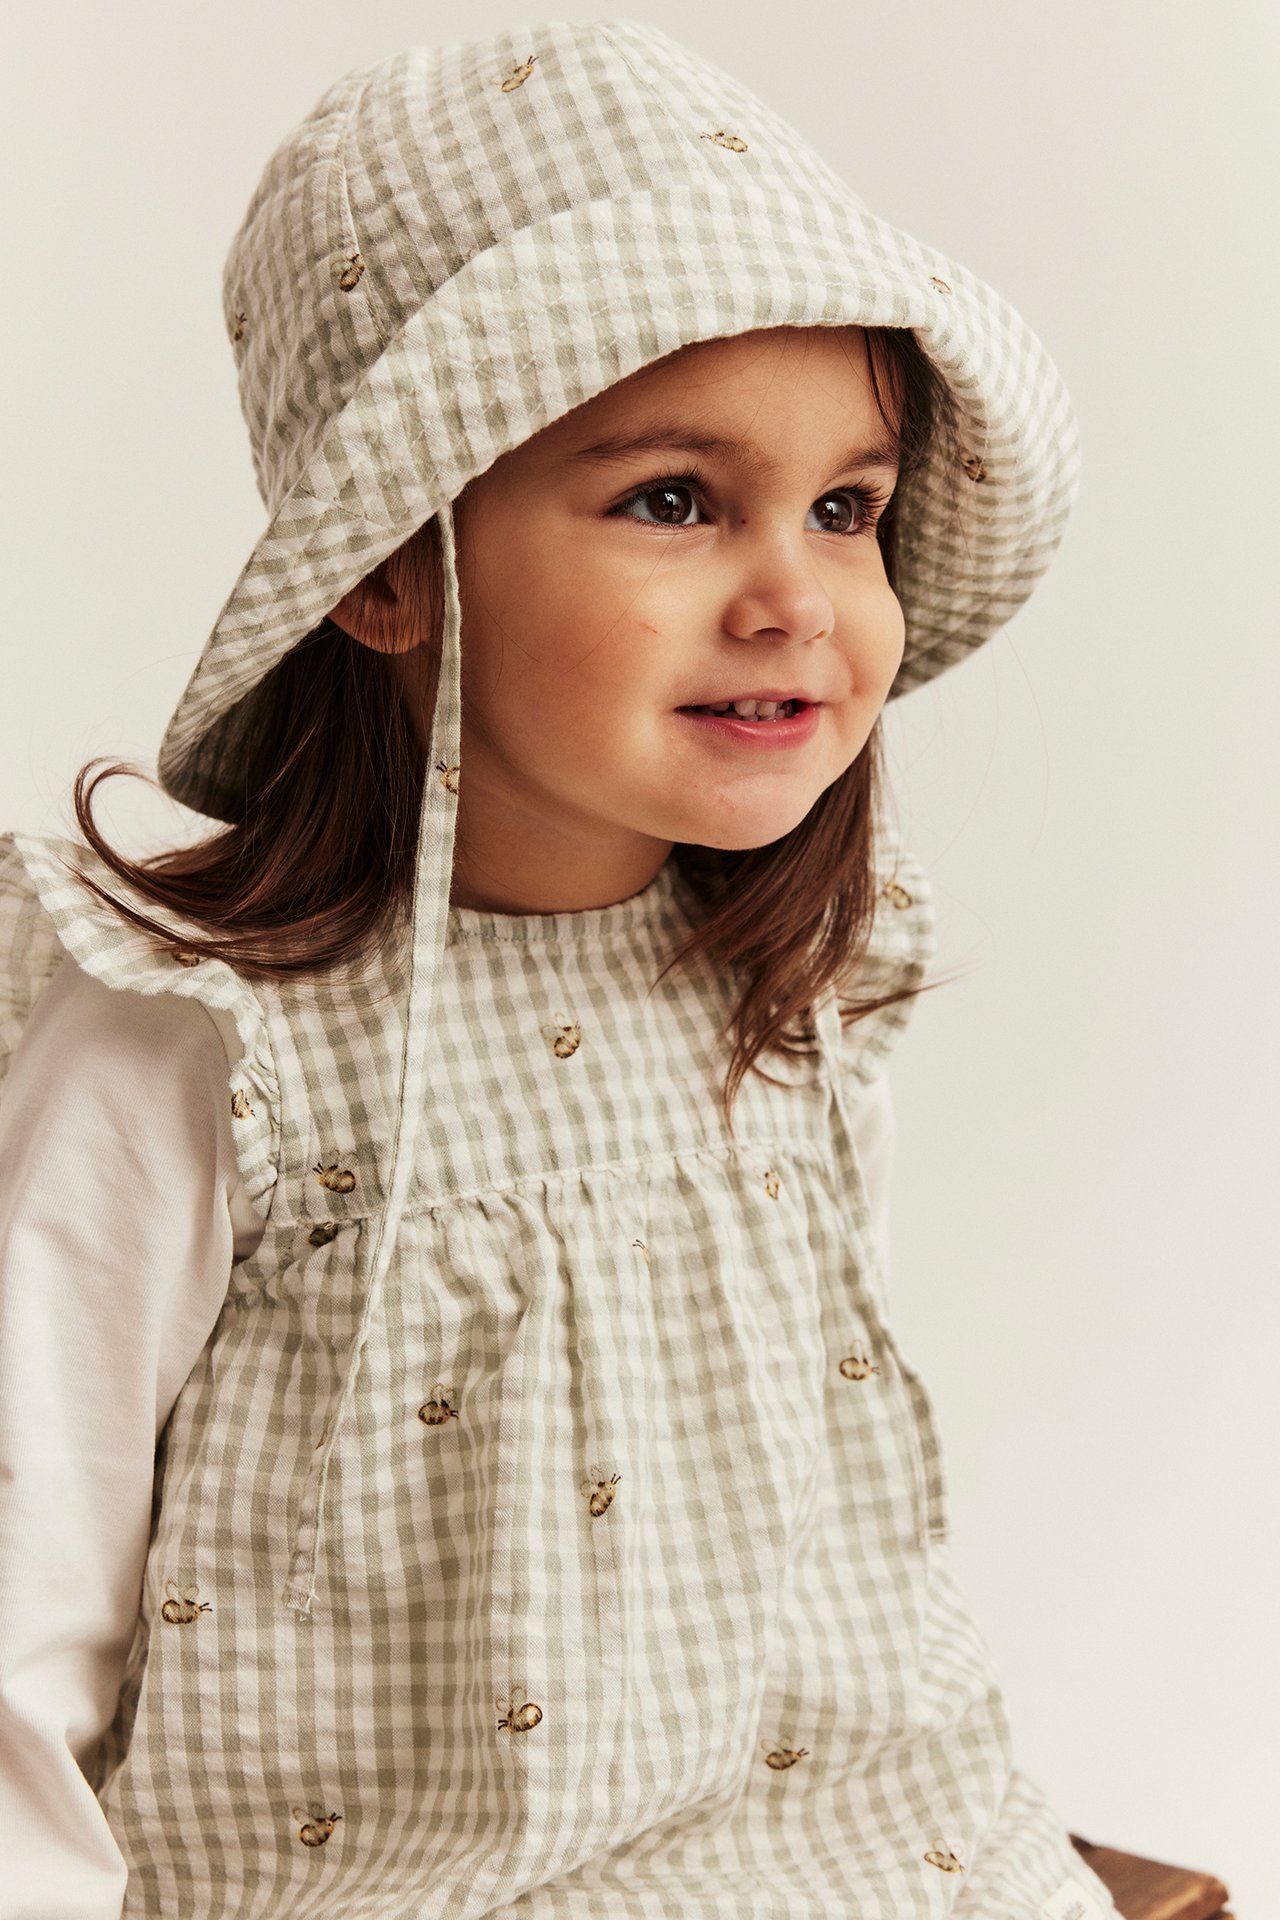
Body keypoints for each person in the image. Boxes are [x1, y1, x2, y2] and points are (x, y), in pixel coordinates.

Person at [0, 20, 1120, 1919]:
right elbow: (27, 1603)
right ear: (389, 568)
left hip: (852, 1846)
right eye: (674, 499)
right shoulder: (196, 1039)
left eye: (847, 507)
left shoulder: (791, 988)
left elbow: (824, 1518)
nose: (796, 597)